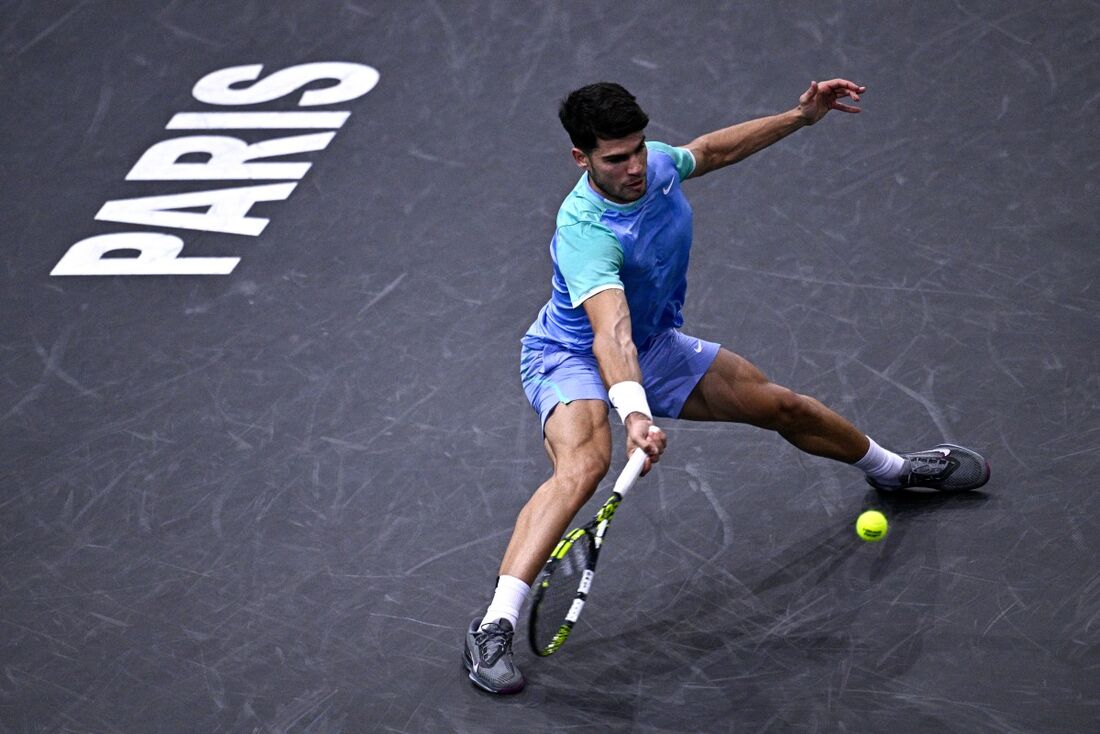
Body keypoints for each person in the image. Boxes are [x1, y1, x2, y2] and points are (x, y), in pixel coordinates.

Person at [462, 79, 990, 694]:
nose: (634, 167)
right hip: (571, 355)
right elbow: (611, 334)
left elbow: (711, 152)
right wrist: (633, 413)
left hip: (654, 345)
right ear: (581, 159)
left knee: (781, 405)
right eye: (615, 158)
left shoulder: (654, 164)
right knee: (584, 464)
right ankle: (493, 626)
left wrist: (801, 117)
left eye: (637, 149)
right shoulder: (587, 231)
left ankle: (894, 471)